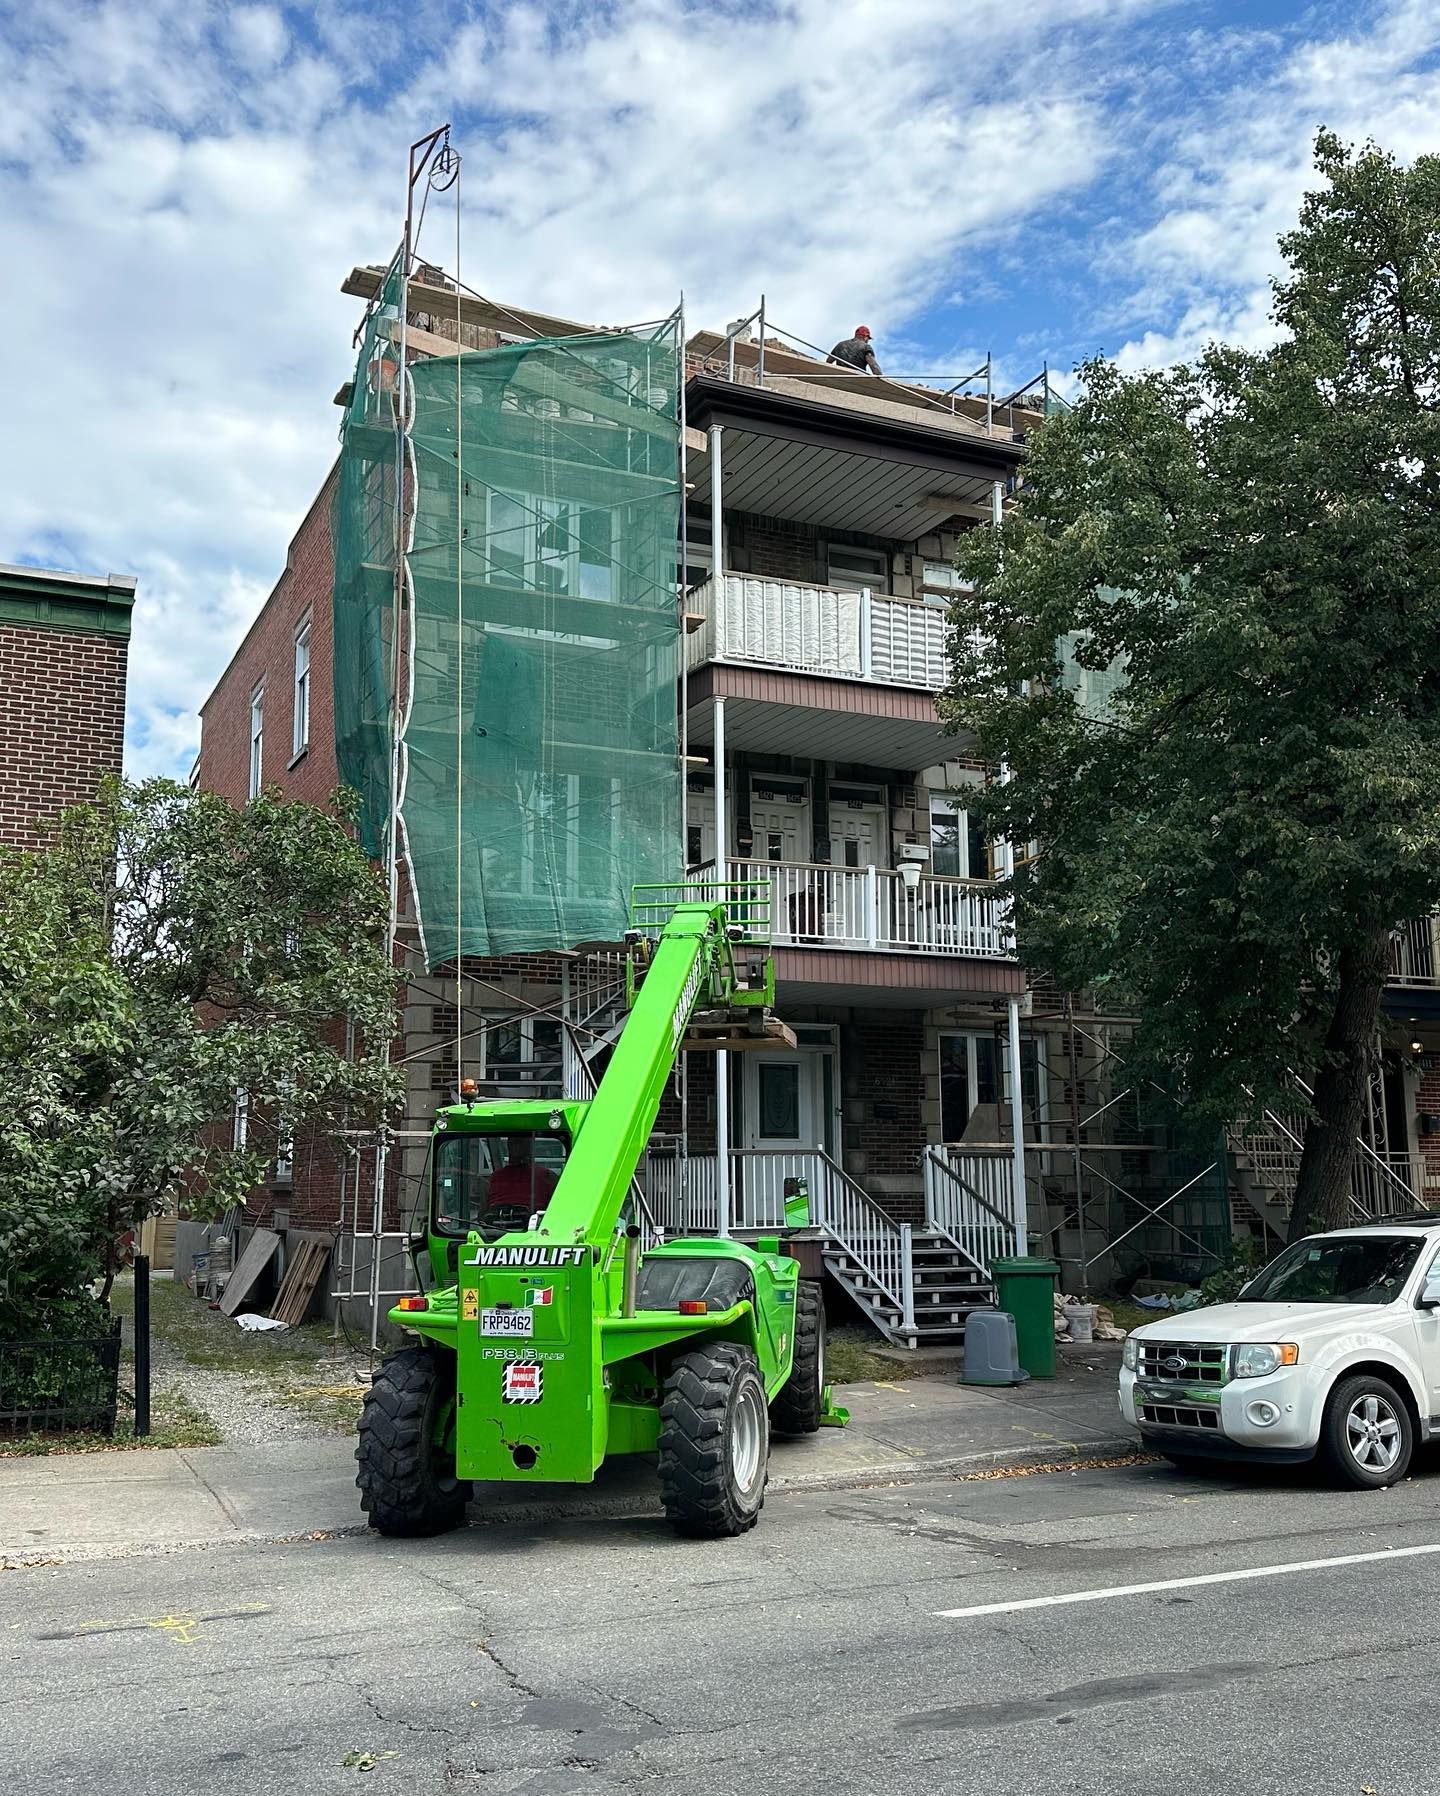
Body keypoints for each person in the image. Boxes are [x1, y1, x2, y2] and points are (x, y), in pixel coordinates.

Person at [486, 1135, 560, 1213]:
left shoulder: (493, 1178)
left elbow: (482, 1217)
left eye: (519, 1142)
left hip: (497, 1224)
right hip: (533, 1223)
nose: (517, 1146)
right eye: (515, 1142)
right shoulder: (548, 1176)